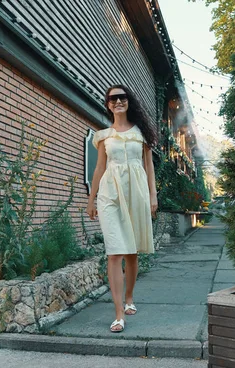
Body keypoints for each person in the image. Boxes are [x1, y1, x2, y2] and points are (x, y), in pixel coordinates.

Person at [86, 84, 158, 333]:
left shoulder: (142, 134)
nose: (118, 101)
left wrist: (153, 196)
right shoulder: (103, 136)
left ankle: (129, 298)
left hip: (136, 194)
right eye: (113, 98)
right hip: (110, 195)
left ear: (129, 101)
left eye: (122, 97)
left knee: (131, 252)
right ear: (108, 104)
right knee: (115, 252)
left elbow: (149, 167)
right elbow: (99, 168)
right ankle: (118, 314)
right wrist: (91, 198)